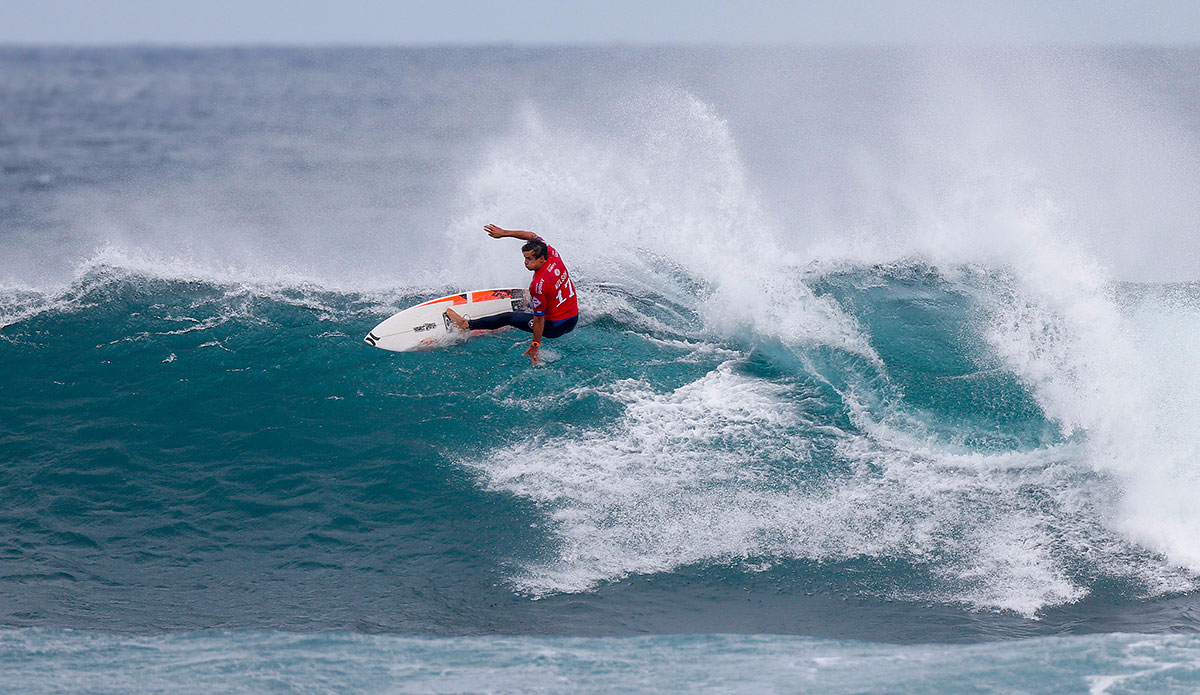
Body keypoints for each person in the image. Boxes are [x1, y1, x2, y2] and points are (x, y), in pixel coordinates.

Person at [446, 224, 579, 365]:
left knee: (508, 317)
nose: (525, 262)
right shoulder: (552, 254)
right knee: (536, 297)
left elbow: (539, 320)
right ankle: (528, 304)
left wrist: (535, 345)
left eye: (529, 259)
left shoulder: (538, 285)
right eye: (525, 258)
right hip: (573, 318)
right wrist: (504, 233)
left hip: (554, 327)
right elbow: (532, 236)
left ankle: (465, 325)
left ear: (541, 259)